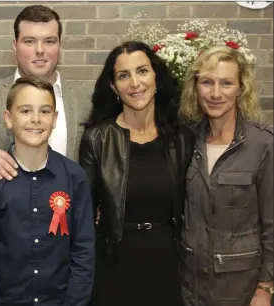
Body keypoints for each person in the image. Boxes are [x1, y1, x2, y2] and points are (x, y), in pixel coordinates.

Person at [78, 41, 194, 306]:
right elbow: (84, 214)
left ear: (155, 76)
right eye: (123, 75)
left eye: (142, 71)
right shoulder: (97, 138)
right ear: (113, 86)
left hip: (168, 265)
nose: (134, 83)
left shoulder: (181, 138)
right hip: (113, 266)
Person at [0, 77, 95, 306]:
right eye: (25, 110)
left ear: (55, 119)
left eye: (45, 111)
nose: (35, 119)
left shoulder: (75, 178)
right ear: (8, 118)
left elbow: (83, 253)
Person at [0, 5, 92, 192]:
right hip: (3, 218)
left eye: (49, 41)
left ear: (59, 45)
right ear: (15, 46)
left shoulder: (84, 101)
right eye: (30, 41)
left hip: (68, 217)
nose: (40, 50)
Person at [179, 45, 273, 306]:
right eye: (207, 82)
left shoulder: (263, 145)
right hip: (191, 288)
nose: (216, 93)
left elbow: (272, 224)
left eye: (226, 83)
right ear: (196, 87)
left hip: (241, 289)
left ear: (241, 88)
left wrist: (266, 288)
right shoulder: (186, 141)